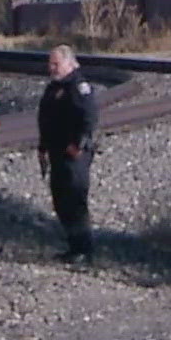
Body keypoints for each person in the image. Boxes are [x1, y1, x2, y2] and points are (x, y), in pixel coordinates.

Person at [36, 44, 99, 264]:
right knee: (61, 200)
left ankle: (85, 248)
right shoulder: (54, 88)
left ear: (69, 63)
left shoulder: (78, 86)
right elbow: (46, 120)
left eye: (56, 64)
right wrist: (42, 148)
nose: (52, 68)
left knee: (75, 199)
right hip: (56, 153)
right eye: (50, 64)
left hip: (74, 155)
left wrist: (78, 145)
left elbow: (89, 118)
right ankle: (73, 247)